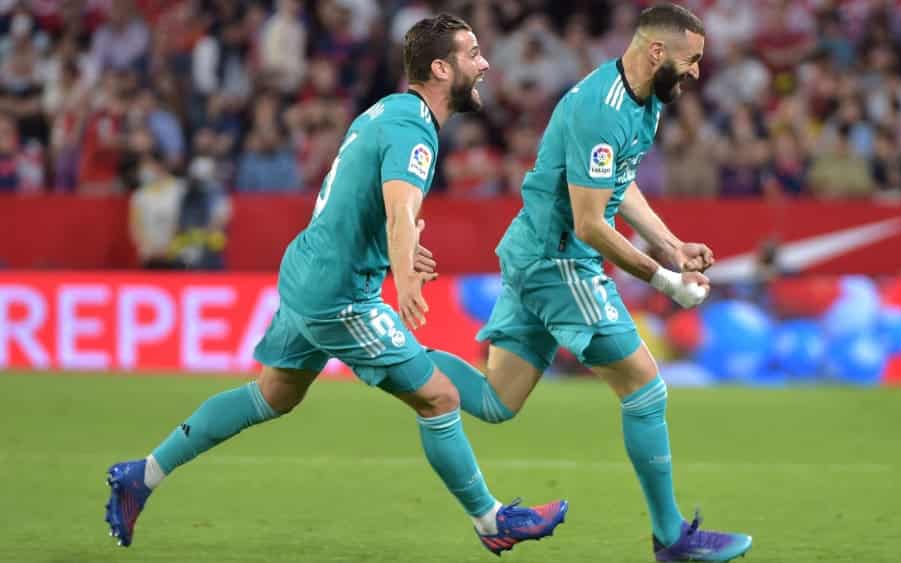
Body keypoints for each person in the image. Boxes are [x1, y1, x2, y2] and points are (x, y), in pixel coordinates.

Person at [103, 14, 567, 555]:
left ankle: (143, 474)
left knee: (273, 394)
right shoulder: (414, 130)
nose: (485, 64)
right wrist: (404, 273)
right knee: (438, 398)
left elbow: (364, 201)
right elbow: (399, 210)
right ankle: (491, 521)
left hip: (307, 271)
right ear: (442, 69)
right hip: (339, 296)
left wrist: (394, 250)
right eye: (473, 54)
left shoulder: (388, 110)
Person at [424, 5, 752, 561]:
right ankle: (671, 537)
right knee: (645, 387)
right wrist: (666, 280)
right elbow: (591, 224)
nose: (697, 70)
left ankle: (398, 360)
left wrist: (670, 244)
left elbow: (619, 183)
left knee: (497, 400)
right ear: (656, 52)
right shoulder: (602, 111)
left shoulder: (643, 101)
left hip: (534, 252)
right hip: (558, 262)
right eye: (692, 59)